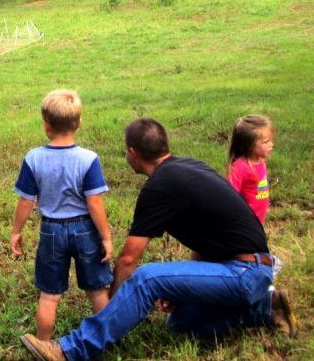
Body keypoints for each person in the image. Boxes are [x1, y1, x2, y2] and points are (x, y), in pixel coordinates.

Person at [20, 118, 297, 361]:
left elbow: (129, 259)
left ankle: (71, 351)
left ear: (132, 153)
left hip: (244, 272)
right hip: (250, 268)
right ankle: (266, 309)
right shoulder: (190, 166)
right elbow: (209, 238)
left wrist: (114, 307)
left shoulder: (159, 187)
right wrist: (185, 286)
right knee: (179, 322)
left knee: (147, 278)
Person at [11, 89, 114, 344]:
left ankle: (43, 344)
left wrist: (16, 231)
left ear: (46, 126)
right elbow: (94, 202)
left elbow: (26, 200)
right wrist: (106, 237)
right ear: (78, 122)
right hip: (85, 230)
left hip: (51, 231)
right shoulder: (88, 159)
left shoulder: (33, 158)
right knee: (97, 290)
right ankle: (109, 339)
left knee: (49, 295)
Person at [228, 115, 274, 224]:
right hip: (246, 222)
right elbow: (230, 194)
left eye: (271, 140)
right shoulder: (241, 167)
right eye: (266, 141)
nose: (271, 145)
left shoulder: (260, 161)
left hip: (258, 219)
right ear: (249, 145)